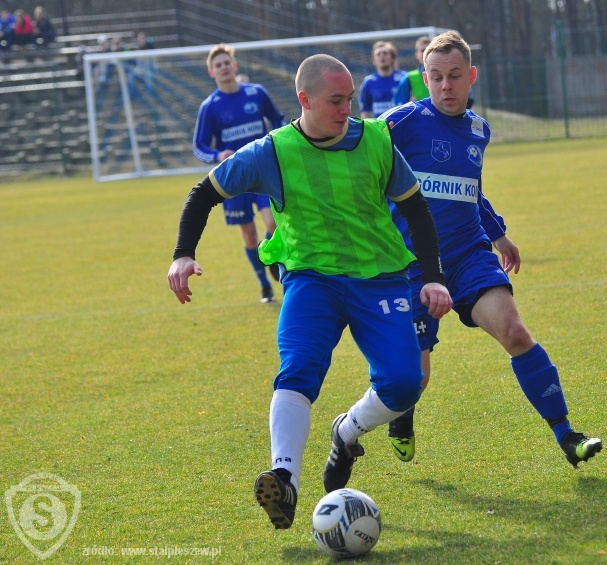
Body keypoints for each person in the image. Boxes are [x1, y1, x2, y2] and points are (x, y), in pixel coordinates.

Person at [168, 53, 453, 530]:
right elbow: (205, 193)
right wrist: (183, 253)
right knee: (298, 368)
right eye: (336, 101)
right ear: (304, 99)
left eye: (350, 100)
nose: (347, 109)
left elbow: (416, 209)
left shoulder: (377, 140)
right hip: (311, 280)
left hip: (380, 279)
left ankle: (346, 431)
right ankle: (285, 479)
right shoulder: (273, 151)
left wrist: (433, 276)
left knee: (405, 384)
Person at [379, 31, 602, 469]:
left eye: (455, 76)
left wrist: (498, 234)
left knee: (515, 333)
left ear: (472, 76)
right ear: (424, 77)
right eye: (436, 77)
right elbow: (357, 153)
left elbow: (471, 191)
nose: (446, 86)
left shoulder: (479, 130)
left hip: (468, 256)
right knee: (414, 379)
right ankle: (402, 416)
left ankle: (567, 435)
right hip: (413, 267)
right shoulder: (400, 122)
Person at [192, 44, 285, 303]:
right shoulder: (210, 106)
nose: (223, 68)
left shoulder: (257, 93)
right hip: (233, 178)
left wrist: (276, 140)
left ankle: (269, 255)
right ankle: (264, 284)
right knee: (248, 235)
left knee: (273, 223)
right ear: (212, 72)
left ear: (234, 66)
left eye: (226, 63)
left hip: (263, 171)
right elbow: (199, 146)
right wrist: (217, 155)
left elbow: (277, 120)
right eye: (218, 65)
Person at [358, 40, 404, 119]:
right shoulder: (368, 82)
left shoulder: (403, 78)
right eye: (378, 54)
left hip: (401, 123)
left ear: (392, 58)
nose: (382, 56)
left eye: (385, 53)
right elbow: (365, 110)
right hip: (379, 125)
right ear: (374, 60)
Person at [392, 35, 430, 107]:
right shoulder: (409, 77)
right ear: (417, 55)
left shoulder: (442, 74)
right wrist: (408, 105)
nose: (426, 53)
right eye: (422, 50)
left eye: (428, 50)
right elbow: (398, 104)